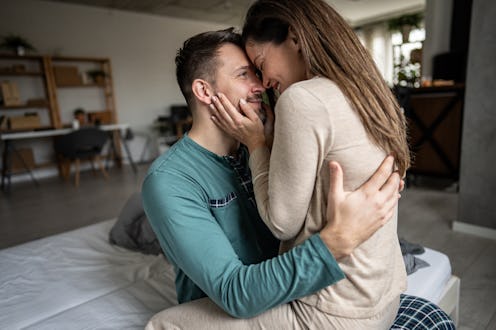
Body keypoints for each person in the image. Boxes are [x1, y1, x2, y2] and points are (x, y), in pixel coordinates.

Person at [142, 29, 453, 329]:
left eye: (258, 72)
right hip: (241, 309)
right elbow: (236, 292)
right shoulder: (170, 180)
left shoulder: (264, 144)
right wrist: (336, 241)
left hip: (299, 296)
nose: (261, 85)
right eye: (243, 75)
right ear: (204, 91)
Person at [209, 0, 410, 328]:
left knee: (166, 323)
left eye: (260, 65)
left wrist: (256, 143)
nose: (264, 81)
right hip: (384, 297)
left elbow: (281, 223)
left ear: (294, 38)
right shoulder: (373, 95)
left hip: (335, 312)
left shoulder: (303, 99)